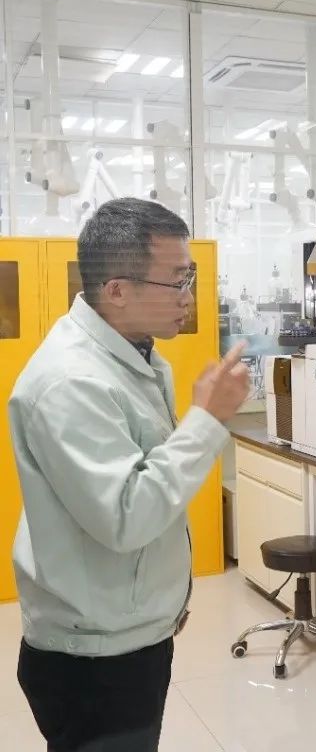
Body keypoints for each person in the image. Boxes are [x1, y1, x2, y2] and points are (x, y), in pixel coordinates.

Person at [10, 197, 250, 752]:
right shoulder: (73, 382)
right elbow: (127, 516)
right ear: (117, 290)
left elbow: (149, 477)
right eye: (177, 280)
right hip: (94, 659)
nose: (188, 295)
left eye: (191, 276)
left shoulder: (133, 356)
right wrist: (207, 420)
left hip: (125, 630)